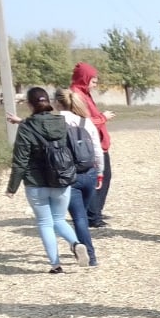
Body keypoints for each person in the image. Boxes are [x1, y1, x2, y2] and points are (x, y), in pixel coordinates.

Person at [5, 87, 88, 272]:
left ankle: (55, 265)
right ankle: (75, 244)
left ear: (29, 104)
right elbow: (71, 150)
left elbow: (20, 160)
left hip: (36, 183)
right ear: (48, 101)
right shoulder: (61, 122)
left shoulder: (26, 127)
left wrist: (12, 187)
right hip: (61, 180)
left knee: (45, 222)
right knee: (59, 218)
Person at [53, 88, 103, 266]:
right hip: (89, 173)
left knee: (79, 217)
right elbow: (97, 149)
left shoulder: (57, 122)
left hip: (70, 176)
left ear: (57, 103)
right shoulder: (86, 122)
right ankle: (80, 246)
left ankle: (89, 255)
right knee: (82, 215)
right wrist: (100, 172)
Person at [70, 62, 115, 227]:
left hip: (97, 141)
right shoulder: (76, 95)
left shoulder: (84, 93)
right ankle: (92, 215)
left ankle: (94, 212)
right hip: (88, 144)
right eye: (93, 81)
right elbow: (82, 121)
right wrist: (103, 118)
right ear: (84, 78)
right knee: (98, 177)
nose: (95, 85)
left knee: (103, 176)